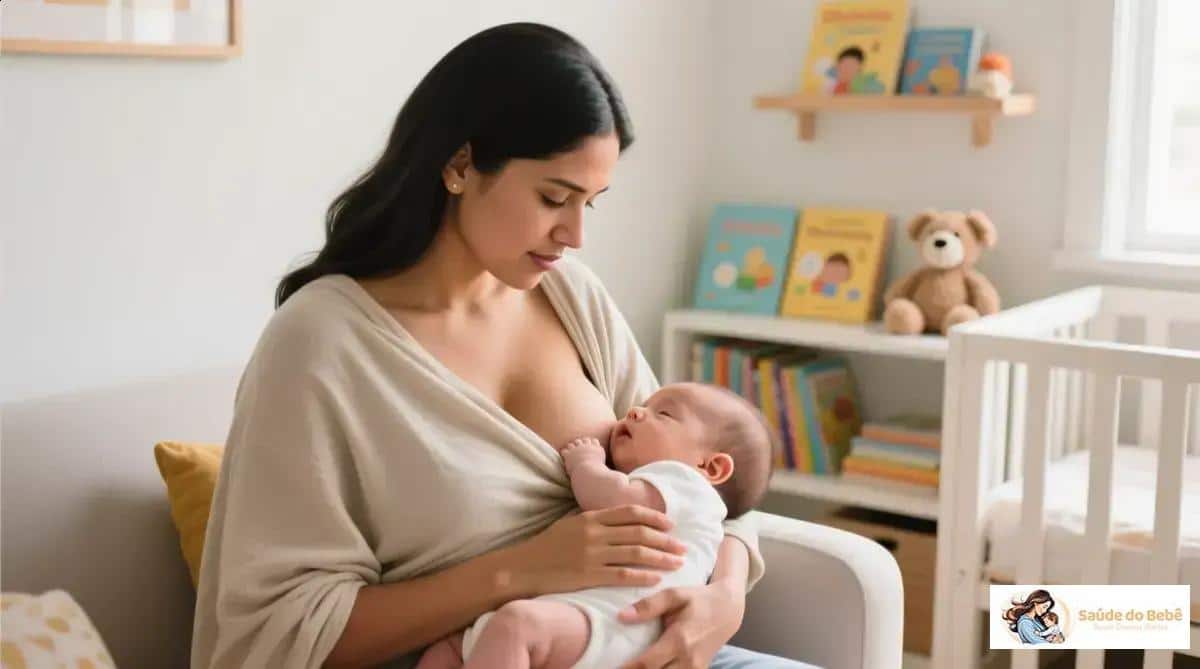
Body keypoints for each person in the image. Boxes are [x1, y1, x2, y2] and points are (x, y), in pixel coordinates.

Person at [191, 22, 816, 669]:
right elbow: (276, 631)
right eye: (554, 197)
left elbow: (706, 468)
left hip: (627, 645)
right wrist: (519, 570)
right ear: (460, 164)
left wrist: (725, 595)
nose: (573, 234)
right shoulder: (320, 344)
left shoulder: (573, 296)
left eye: (590, 204)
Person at [416, 383, 775, 668]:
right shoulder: (678, 492)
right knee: (448, 651)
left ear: (710, 468)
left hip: (619, 626)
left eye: (662, 413)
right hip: (590, 622)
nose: (635, 411)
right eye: (644, 406)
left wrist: (586, 464)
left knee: (515, 626)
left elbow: (614, 498)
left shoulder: (686, 485)